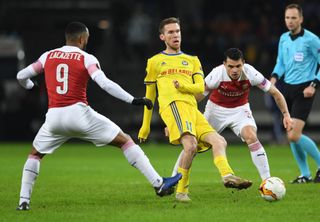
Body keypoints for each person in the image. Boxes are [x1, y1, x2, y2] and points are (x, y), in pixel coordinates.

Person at [15, 21, 182, 211]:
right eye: (86, 38)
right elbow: (105, 83)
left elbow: (21, 75)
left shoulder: (47, 56)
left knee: (35, 155)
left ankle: (23, 201)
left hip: (53, 118)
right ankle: (159, 184)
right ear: (81, 39)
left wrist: (29, 85)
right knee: (125, 141)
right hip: (79, 114)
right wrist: (133, 100)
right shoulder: (86, 58)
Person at [138, 17, 252, 202]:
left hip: (191, 107)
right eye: (171, 32)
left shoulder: (192, 60)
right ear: (162, 37)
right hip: (173, 105)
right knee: (190, 145)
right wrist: (146, 125)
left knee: (219, 141)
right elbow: (149, 95)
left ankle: (227, 175)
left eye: (178, 31)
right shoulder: (155, 61)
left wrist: (184, 88)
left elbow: (200, 87)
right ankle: (182, 192)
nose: (175, 35)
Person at [172, 48, 293, 183]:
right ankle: (174, 177)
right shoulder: (216, 74)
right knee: (193, 144)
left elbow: (275, 93)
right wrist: (183, 118)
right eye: (230, 66)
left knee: (251, 136)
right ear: (224, 64)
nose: (234, 70)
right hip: (215, 111)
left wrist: (286, 114)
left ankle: (267, 181)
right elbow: (195, 99)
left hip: (240, 110)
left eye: (238, 66)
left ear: (243, 63)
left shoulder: (251, 73)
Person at [271, 3, 320, 183]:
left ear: (301, 19)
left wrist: (314, 85)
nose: (290, 21)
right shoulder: (283, 38)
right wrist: (274, 78)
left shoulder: (311, 39)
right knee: (292, 136)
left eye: (293, 18)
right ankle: (305, 175)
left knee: (293, 134)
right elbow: (281, 63)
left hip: (304, 90)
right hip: (287, 90)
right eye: (287, 18)